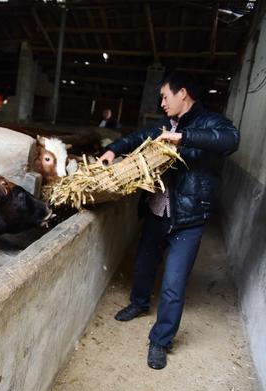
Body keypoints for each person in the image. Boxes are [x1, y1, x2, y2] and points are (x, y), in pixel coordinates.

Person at [98, 71, 239, 370]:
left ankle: (160, 341)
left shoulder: (210, 123)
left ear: (182, 93)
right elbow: (137, 137)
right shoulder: (164, 126)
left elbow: (230, 139)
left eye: (165, 96)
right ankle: (138, 304)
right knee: (145, 263)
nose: (162, 102)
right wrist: (113, 149)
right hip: (157, 211)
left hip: (188, 217)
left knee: (174, 283)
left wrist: (185, 136)